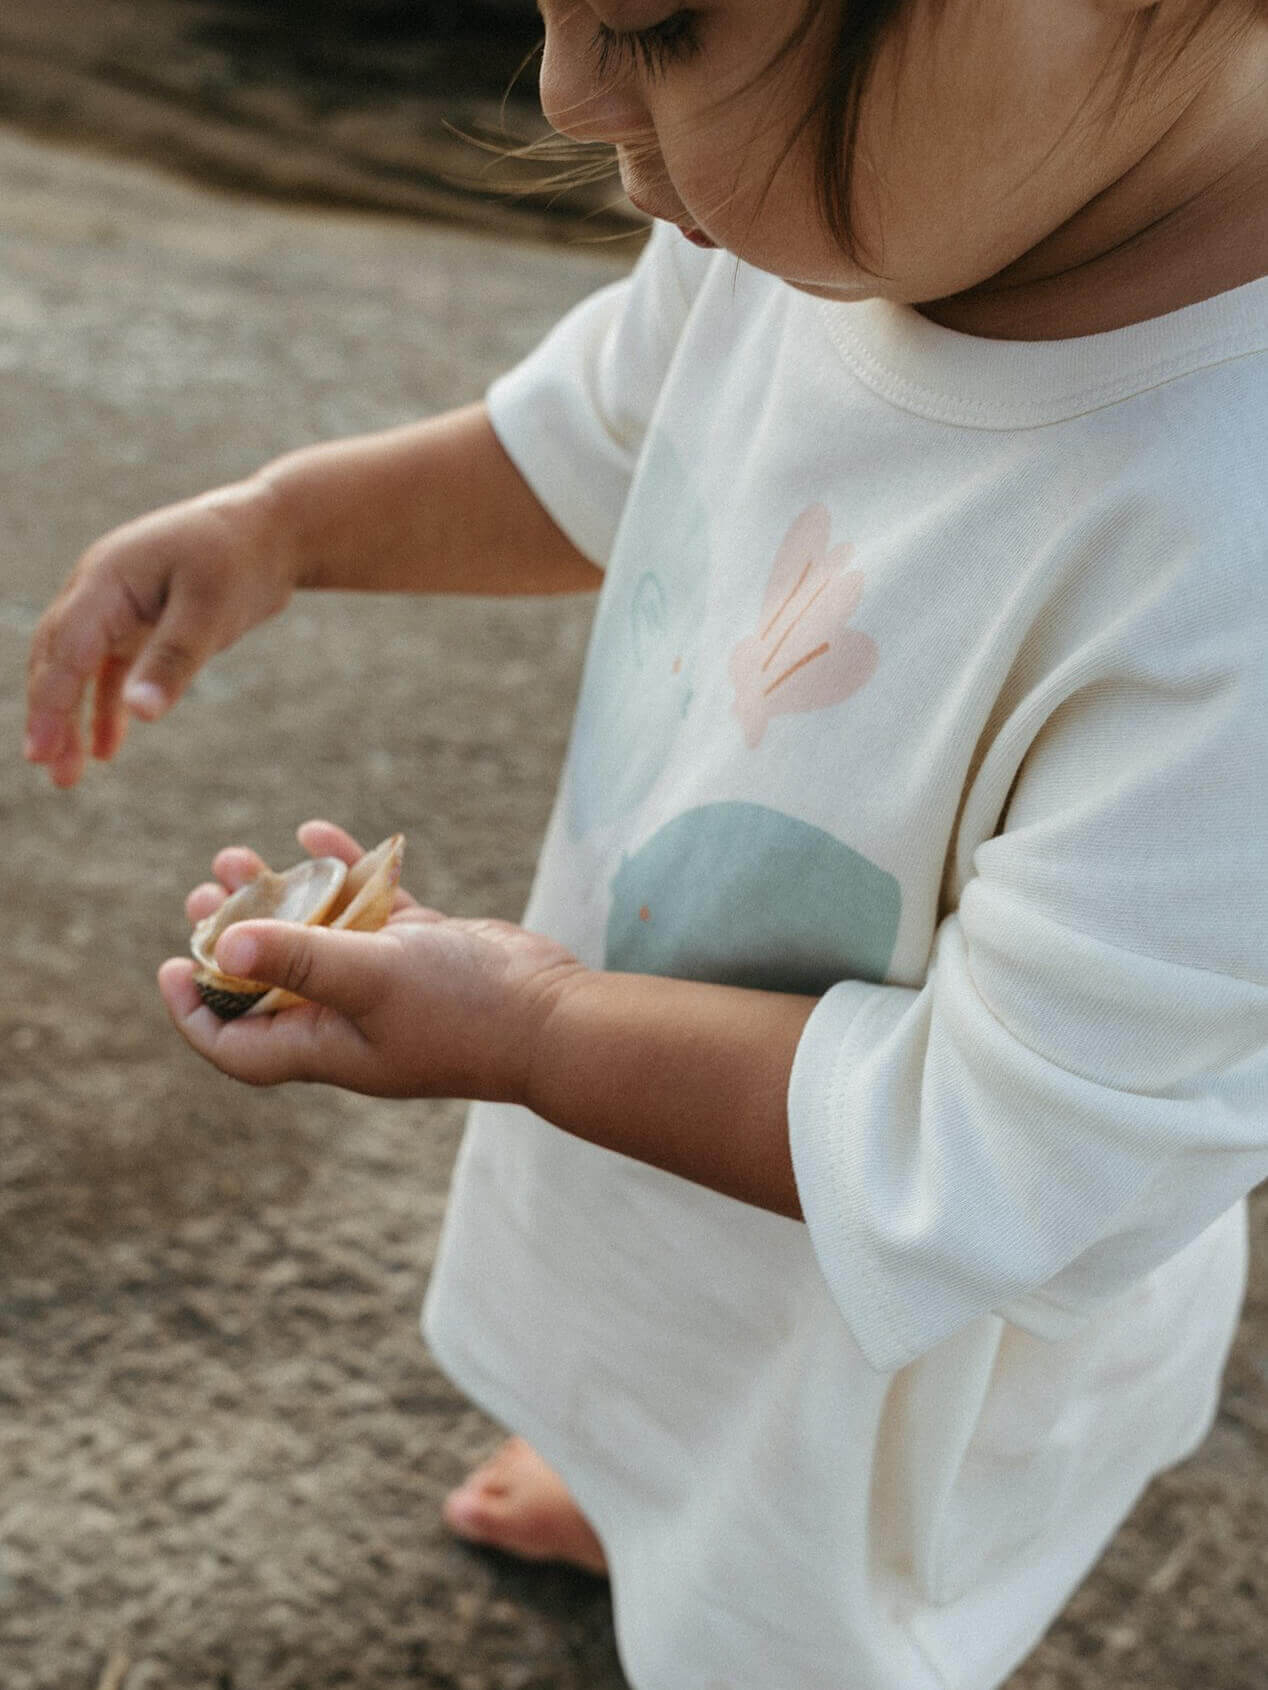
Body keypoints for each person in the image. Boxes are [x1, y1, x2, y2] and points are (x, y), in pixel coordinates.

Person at [24, 1, 1268, 1685]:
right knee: (629, 1358)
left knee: (775, 1618)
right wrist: (289, 525)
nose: (565, 91)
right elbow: (598, 442)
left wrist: (532, 1022)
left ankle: (715, 1550)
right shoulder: (820, 227)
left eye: (658, 26)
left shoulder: (1226, 540)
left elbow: (1002, 1148)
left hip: (888, 1372)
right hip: (647, 1114)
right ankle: (627, 1476)